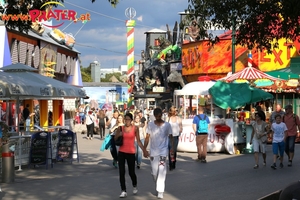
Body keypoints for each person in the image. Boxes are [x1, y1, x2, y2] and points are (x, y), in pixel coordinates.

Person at [143, 107, 173, 199]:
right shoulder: (151, 125)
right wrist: (144, 149)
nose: (159, 118)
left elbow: (171, 137)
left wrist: (172, 149)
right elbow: (147, 137)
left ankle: (160, 191)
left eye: (160, 116)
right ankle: (157, 182)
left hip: (163, 151)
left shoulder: (167, 125)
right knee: (155, 172)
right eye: (157, 116)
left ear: (162, 115)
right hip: (153, 151)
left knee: (162, 170)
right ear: (154, 116)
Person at [114, 113, 145, 198]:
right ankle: (123, 190)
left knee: (131, 172)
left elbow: (138, 141)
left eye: (128, 119)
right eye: (125, 119)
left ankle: (134, 185)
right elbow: (115, 138)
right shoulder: (121, 128)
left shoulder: (135, 128)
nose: (126, 121)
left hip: (131, 152)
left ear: (131, 120)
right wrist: (119, 134)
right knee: (121, 172)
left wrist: (144, 150)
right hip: (121, 152)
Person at [166, 106, 182, 170]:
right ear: (172, 112)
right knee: (170, 150)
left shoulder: (178, 119)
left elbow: (181, 127)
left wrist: (180, 129)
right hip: (169, 136)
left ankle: (174, 161)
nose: (176, 112)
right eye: (175, 111)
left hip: (176, 136)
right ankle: (170, 164)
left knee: (174, 150)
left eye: (177, 111)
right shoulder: (168, 118)